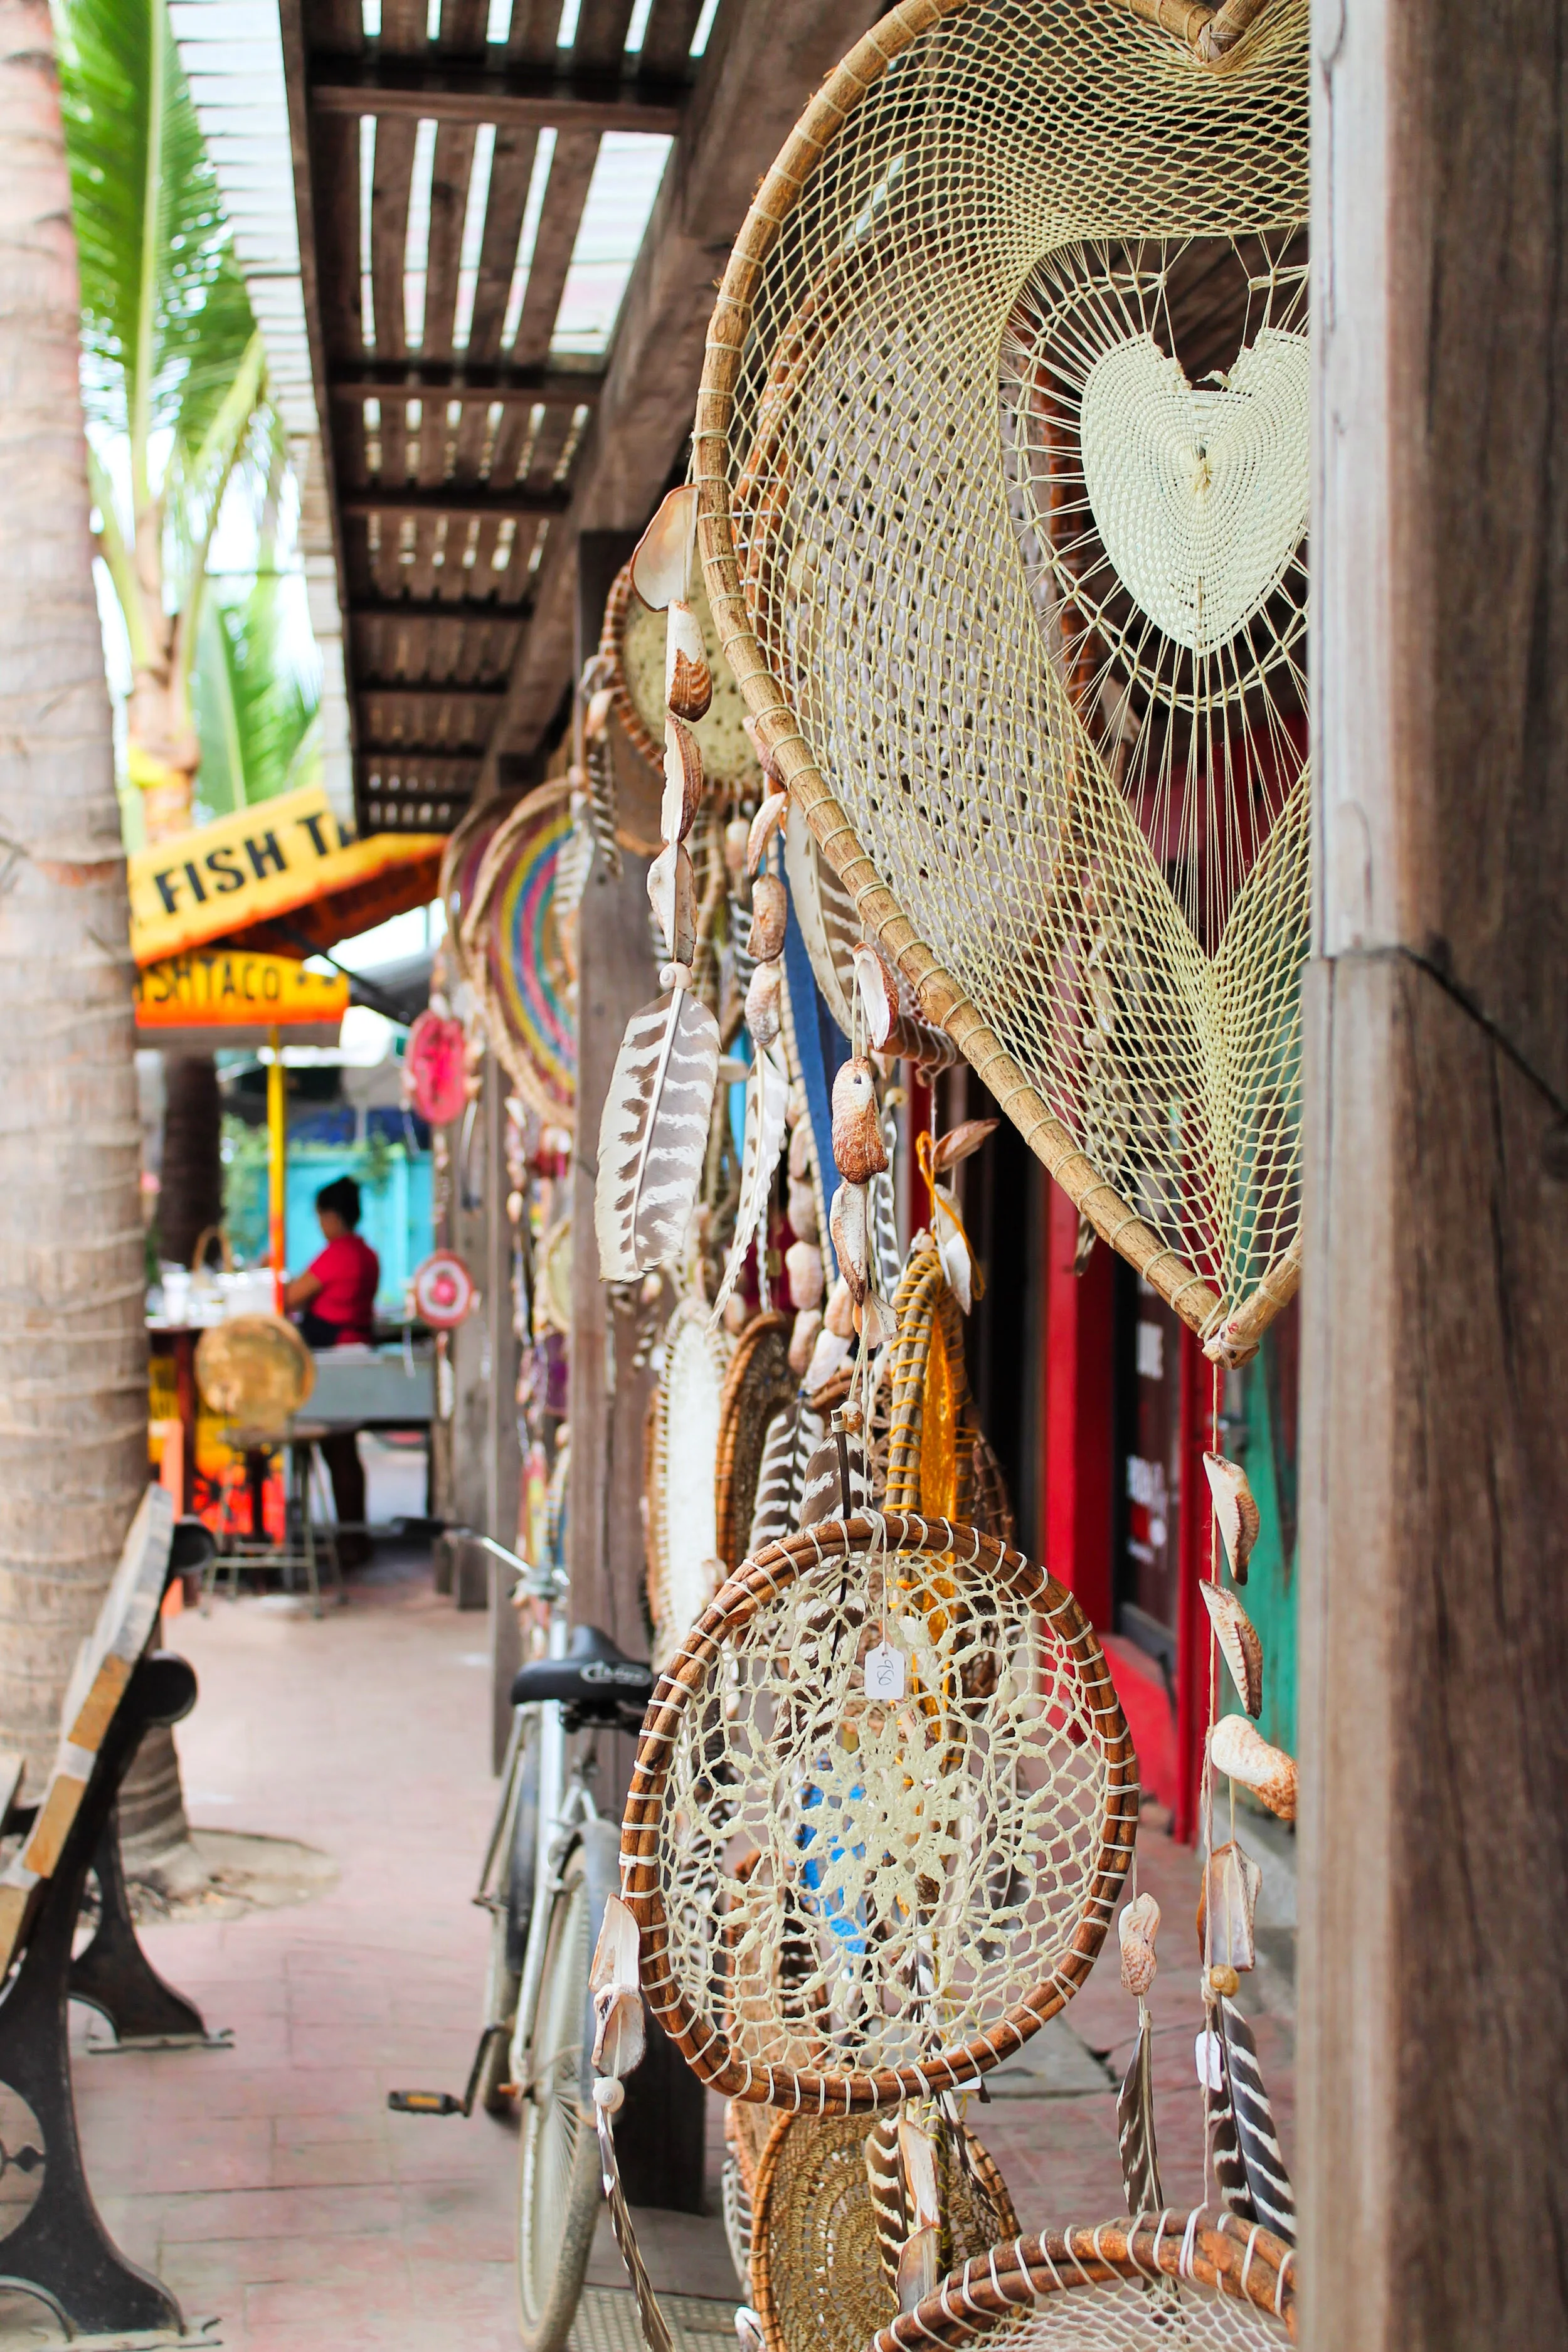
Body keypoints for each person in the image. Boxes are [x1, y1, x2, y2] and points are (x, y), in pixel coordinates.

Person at [285, 1177, 379, 1565]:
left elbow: (291, 1297)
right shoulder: (368, 1254)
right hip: (357, 1353)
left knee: (338, 1452)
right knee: (347, 1453)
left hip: (338, 1361)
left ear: (331, 1216)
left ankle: (350, 1541)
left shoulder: (338, 1253)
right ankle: (355, 1535)